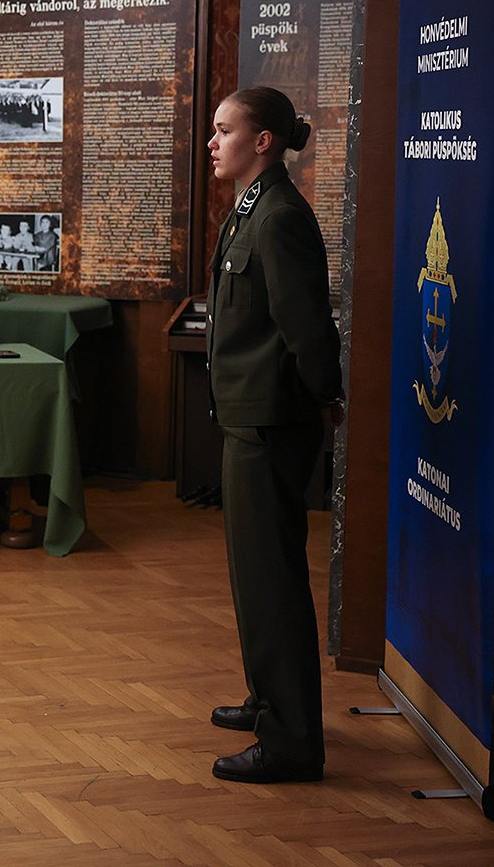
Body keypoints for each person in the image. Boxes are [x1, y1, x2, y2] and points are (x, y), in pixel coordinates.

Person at [205, 85, 343, 785]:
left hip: (270, 422)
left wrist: (326, 397)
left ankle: (291, 743)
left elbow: (307, 327)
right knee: (253, 577)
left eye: (224, 131)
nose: (213, 142)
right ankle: (268, 701)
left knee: (274, 582)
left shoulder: (280, 214)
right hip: (247, 417)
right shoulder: (251, 206)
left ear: (263, 141)